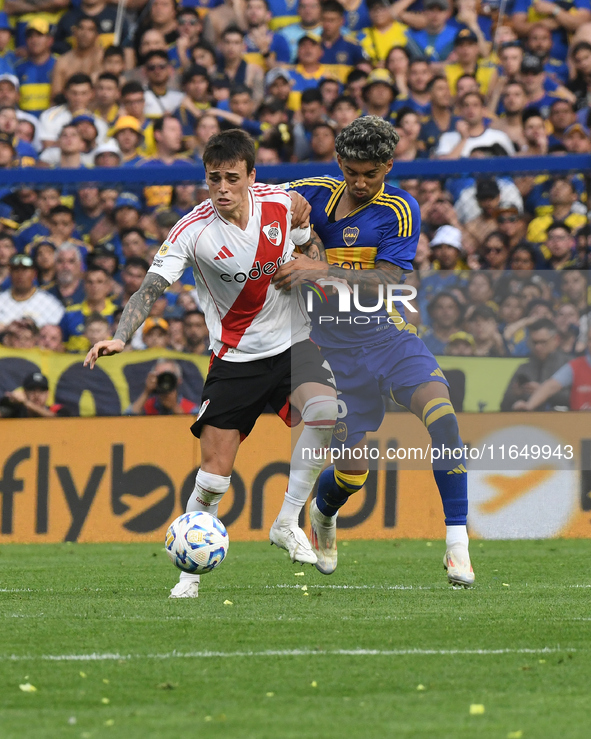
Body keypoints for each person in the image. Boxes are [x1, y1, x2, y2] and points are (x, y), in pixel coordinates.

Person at [85, 129, 338, 599]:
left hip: (294, 343)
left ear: (251, 177)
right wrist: (121, 337)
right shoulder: (191, 232)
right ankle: (189, 575)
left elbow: (311, 246)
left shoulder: (282, 204)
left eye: (231, 178)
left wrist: (313, 267)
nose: (222, 188)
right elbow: (149, 289)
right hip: (236, 358)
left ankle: (287, 521)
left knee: (326, 413)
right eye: (213, 178)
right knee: (214, 477)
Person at [280, 116, 475, 586]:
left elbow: (390, 277)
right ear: (339, 164)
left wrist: (318, 270)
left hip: (386, 339)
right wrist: (285, 205)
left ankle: (457, 546)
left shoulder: (400, 209)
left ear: (388, 165)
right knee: (351, 471)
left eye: (372, 173)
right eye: (352, 172)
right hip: (328, 352)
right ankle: (324, 516)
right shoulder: (315, 190)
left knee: (444, 421)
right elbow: (259, 199)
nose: (361, 182)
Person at [514, 323, 591, 412]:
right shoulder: (576, 366)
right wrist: (529, 405)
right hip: (580, 422)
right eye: (589, 339)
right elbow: (550, 386)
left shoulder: (566, 361)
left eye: (543, 342)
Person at [501, 318, 571, 411]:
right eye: (534, 342)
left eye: (543, 342)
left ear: (556, 339)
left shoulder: (569, 365)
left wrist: (544, 392)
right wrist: (515, 395)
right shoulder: (524, 368)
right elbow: (503, 406)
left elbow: (578, 399)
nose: (537, 347)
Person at [0, 253, 65, 329]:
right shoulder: (1, 300)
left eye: (25, 270)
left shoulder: (50, 303)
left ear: (34, 274)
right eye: (16, 270)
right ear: (10, 274)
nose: (20, 274)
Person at [125, 358, 199, 415]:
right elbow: (126, 420)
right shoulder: (147, 406)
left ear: (179, 380)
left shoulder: (192, 409)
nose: (165, 380)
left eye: (169, 376)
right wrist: (146, 391)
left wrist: (174, 406)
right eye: (161, 376)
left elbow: (191, 430)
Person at [1, 371, 68, 418]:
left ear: (48, 394)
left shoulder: (57, 410)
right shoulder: (17, 411)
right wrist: (9, 401)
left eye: (41, 391)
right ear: (24, 393)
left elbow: (58, 420)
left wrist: (26, 402)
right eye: (32, 390)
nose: (36, 395)